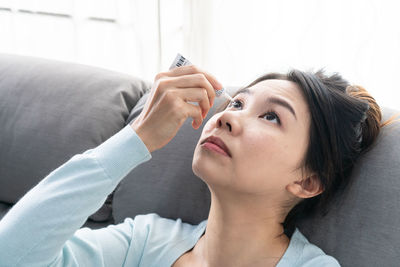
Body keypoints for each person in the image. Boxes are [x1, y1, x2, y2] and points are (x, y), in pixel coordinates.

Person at [0, 65, 394, 267]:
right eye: (238, 103)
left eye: (271, 117)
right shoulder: (144, 241)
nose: (227, 117)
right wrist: (135, 138)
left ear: (307, 182)